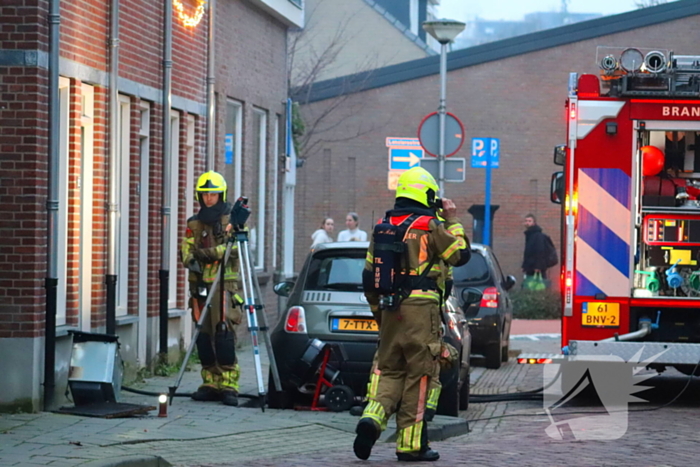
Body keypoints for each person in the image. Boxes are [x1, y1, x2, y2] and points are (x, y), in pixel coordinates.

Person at [354, 167, 471, 462]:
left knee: (390, 370)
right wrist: (453, 220)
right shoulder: (430, 225)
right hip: (422, 313)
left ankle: (372, 418)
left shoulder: (383, 225)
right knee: (420, 377)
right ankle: (410, 446)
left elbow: (369, 277)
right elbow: (459, 254)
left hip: (390, 309)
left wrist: (380, 314)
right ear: (427, 194)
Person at [180, 171, 242, 406]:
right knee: (204, 336)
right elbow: (185, 251)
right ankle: (210, 382)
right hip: (199, 286)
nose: (209, 199)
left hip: (224, 286)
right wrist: (193, 257)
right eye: (205, 194)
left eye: (213, 194)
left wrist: (204, 254)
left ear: (221, 195)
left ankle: (229, 384)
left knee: (223, 334)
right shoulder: (194, 223)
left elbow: (231, 249)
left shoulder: (231, 221)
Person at [522, 213, 551, 281]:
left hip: (535, 268)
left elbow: (540, 251)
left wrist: (538, 267)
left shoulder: (537, 236)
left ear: (534, 223)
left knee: (535, 285)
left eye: (529, 221)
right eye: (526, 221)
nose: (527, 223)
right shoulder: (530, 235)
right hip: (531, 266)